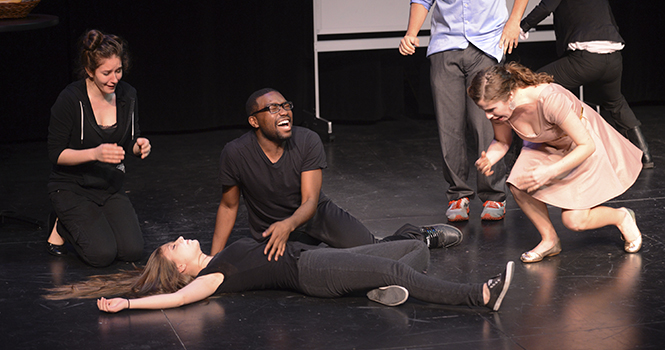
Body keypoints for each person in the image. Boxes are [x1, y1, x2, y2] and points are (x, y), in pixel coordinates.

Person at [211, 88, 463, 259]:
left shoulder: (307, 140)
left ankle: (419, 236)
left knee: (373, 251)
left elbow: (310, 201)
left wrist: (289, 223)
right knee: (324, 264)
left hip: (317, 216)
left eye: (286, 106)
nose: (284, 111)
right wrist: (212, 260)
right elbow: (228, 206)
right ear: (254, 121)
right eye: (273, 108)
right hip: (273, 232)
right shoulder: (235, 153)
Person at [45, 236, 515, 312]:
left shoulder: (221, 252)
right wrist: (131, 302)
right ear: (180, 267)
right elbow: (180, 301)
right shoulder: (212, 277)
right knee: (396, 265)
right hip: (311, 270)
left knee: (414, 248)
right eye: (175, 246)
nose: (182, 238)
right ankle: (477, 296)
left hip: (322, 255)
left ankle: (376, 287)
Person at [468, 62, 643, 263]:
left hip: (580, 145)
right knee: (519, 183)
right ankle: (549, 240)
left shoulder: (549, 99)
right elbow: (502, 141)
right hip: (546, 145)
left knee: (574, 221)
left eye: (490, 109)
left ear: (509, 96)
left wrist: (549, 172)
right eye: (484, 110)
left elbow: (587, 145)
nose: (488, 116)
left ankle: (621, 217)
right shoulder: (500, 110)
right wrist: (490, 157)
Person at [398, 0, 530, 222]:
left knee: (486, 123)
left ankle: (493, 194)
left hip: (487, 42)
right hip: (445, 44)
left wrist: (514, 21)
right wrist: (411, 33)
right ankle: (458, 194)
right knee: (448, 124)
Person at [46, 30, 149, 267]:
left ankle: (88, 221)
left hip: (109, 185)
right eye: (106, 73)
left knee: (132, 250)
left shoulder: (128, 95)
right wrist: (94, 153)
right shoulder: (70, 99)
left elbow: (131, 138)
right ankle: (61, 223)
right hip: (72, 187)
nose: (114, 79)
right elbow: (56, 153)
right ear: (90, 71)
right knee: (101, 255)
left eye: (119, 70)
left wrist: (139, 146)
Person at [519, 0, 654, 168]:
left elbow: (545, 7)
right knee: (616, 102)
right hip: (613, 58)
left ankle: (528, 151)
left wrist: (521, 27)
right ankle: (645, 155)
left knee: (533, 85)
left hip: (586, 59)